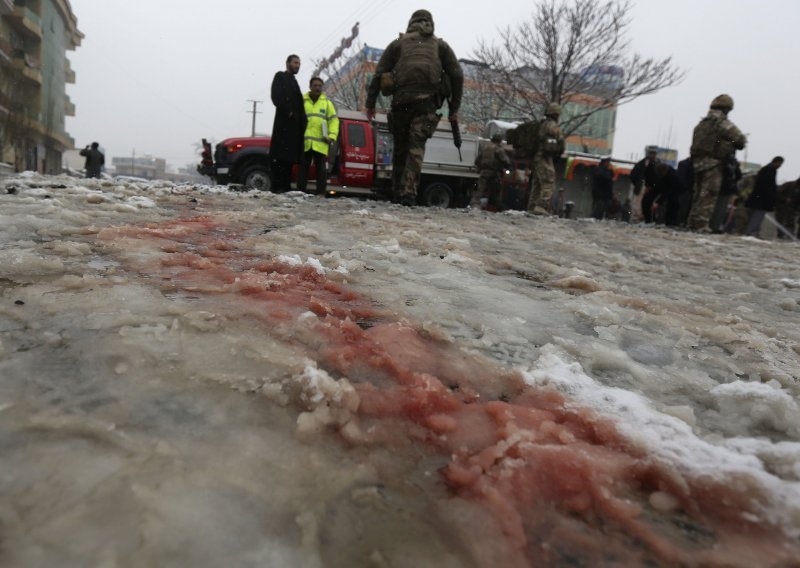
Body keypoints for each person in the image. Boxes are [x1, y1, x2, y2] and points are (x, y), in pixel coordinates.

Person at [365, 9, 463, 206]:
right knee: (415, 148)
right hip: (427, 105)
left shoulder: (398, 44)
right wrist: (454, 108)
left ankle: (396, 192)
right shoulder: (440, 46)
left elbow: (379, 73)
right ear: (430, 23)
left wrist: (370, 104)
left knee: (400, 149)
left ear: (411, 23)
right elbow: (457, 75)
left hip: (401, 104)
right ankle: (408, 194)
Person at [688, 94, 747, 231]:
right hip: (713, 163)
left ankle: (692, 222)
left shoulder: (702, 124)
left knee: (698, 195)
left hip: (697, 163)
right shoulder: (721, 122)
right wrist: (730, 144)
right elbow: (740, 140)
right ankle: (701, 225)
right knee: (709, 194)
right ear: (727, 108)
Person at [270, 54, 307, 192]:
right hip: (284, 126)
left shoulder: (295, 82)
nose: (297, 65)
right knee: (280, 159)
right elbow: (276, 96)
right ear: (287, 63)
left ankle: (284, 188)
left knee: (289, 161)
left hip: (294, 129)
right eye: (295, 62)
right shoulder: (280, 76)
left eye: (299, 63)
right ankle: (277, 188)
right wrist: (288, 111)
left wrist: (303, 121)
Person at [297, 77, 339, 195]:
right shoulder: (302, 101)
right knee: (303, 170)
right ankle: (300, 193)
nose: (317, 88)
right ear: (310, 86)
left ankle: (320, 194)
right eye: (315, 85)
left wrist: (332, 136)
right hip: (305, 143)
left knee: (321, 171)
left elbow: (334, 121)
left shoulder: (326, 103)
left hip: (321, 143)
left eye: (320, 86)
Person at [527, 103, 565, 215]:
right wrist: (559, 151)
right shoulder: (552, 125)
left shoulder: (540, 124)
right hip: (544, 157)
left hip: (536, 157)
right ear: (556, 114)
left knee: (538, 183)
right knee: (548, 181)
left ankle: (532, 206)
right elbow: (561, 141)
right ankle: (541, 206)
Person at [744, 156, 783, 237]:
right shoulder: (769, 170)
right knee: (757, 216)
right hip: (761, 199)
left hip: (760, 198)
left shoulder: (768, 169)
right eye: (780, 163)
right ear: (777, 162)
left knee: (757, 216)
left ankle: (754, 232)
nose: (780, 166)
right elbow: (767, 185)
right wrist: (770, 197)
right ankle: (751, 232)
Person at [473, 133, 511, 210]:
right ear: (499, 141)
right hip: (494, 173)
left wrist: (480, 169)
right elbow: (506, 161)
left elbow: (477, 161)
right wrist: (507, 167)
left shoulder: (485, 148)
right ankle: (497, 208)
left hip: (484, 172)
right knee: (496, 191)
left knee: (480, 189)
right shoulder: (498, 149)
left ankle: (475, 205)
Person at [630, 148, 658, 223]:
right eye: (652, 153)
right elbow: (633, 175)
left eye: (654, 154)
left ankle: (644, 219)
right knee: (637, 203)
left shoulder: (655, 164)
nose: (653, 155)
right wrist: (638, 183)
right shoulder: (641, 164)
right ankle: (635, 219)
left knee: (647, 204)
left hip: (650, 188)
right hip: (641, 186)